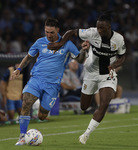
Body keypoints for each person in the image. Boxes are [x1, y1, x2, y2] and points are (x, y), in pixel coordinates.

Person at [48, 11, 126, 144]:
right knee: (84, 106)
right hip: (90, 73)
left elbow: (122, 56)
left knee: (104, 104)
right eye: (98, 27)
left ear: (109, 27)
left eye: (102, 28)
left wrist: (114, 65)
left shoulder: (118, 39)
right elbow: (72, 32)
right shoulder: (91, 32)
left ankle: (86, 134)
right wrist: (60, 43)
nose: (99, 30)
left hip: (107, 74)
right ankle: (96, 90)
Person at [11, 18, 89, 146]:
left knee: (42, 116)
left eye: (51, 32)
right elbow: (29, 57)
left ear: (58, 30)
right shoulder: (40, 42)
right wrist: (19, 69)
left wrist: (84, 50)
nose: (48, 35)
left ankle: (36, 123)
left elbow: (80, 60)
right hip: (37, 79)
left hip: (52, 85)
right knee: (26, 102)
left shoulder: (67, 44)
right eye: (46, 32)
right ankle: (22, 137)